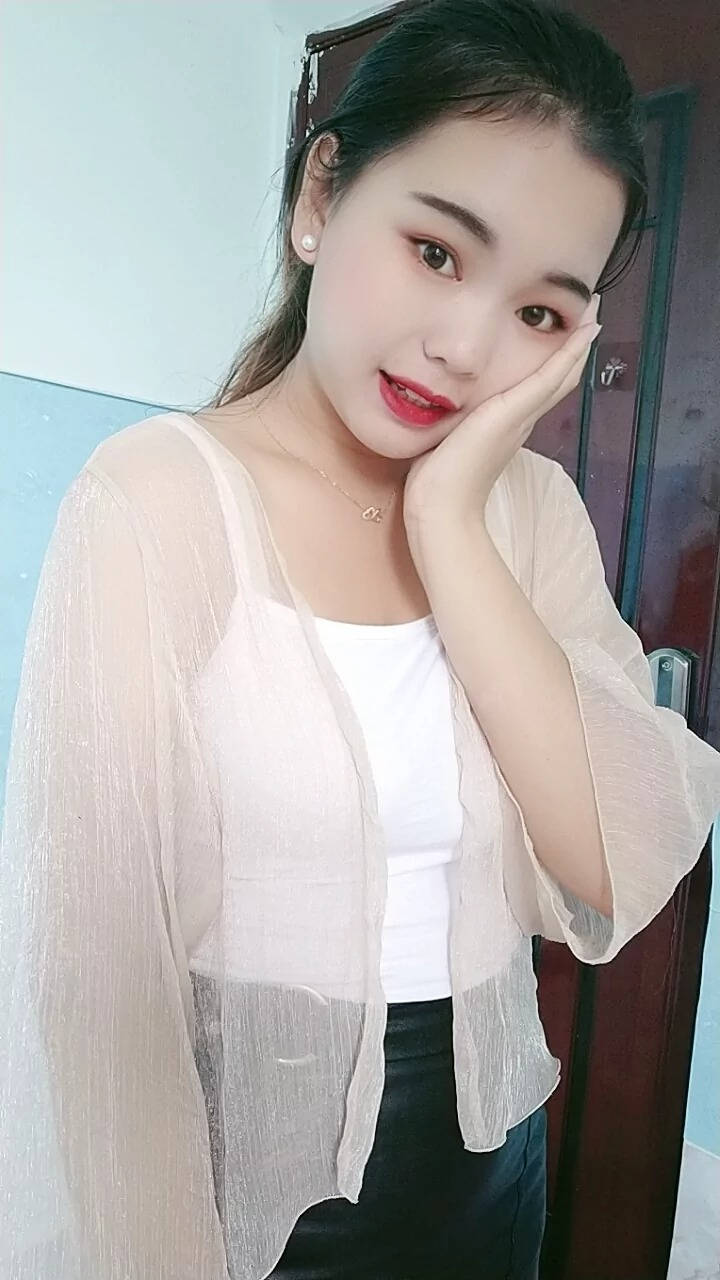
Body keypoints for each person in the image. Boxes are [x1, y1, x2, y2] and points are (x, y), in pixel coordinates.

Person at [2, 0, 720, 1277]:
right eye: (437, 251)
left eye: (540, 313)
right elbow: (97, 979)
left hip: (487, 1147)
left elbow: (613, 853)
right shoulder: (157, 498)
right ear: (321, 196)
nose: (464, 347)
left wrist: (449, 520)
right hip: (236, 1164)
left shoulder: (527, 510)